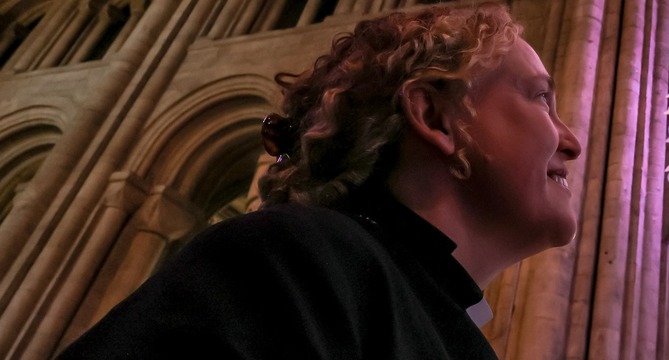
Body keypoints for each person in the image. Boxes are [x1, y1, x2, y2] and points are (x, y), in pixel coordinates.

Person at [59, 2, 581, 358]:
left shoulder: (440, 322)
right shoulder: (292, 262)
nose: (571, 142)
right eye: (539, 98)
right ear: (437, 117)